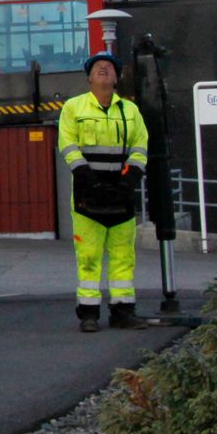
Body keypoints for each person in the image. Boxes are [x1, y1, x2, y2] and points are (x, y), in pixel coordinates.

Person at [58, 51, 151, 332]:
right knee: (88, 256)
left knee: (124, 256)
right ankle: (89, 314)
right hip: (88, 195)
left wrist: (132, 174)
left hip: (120, 193)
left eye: (109, 66)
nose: (103, 69)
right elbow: (68, 144)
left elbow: (140, 145)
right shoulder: (74, 108)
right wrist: (84, 173)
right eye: (97, 67)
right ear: (88, 78)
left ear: (117, 77)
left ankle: (123, 312)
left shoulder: (130, 111)